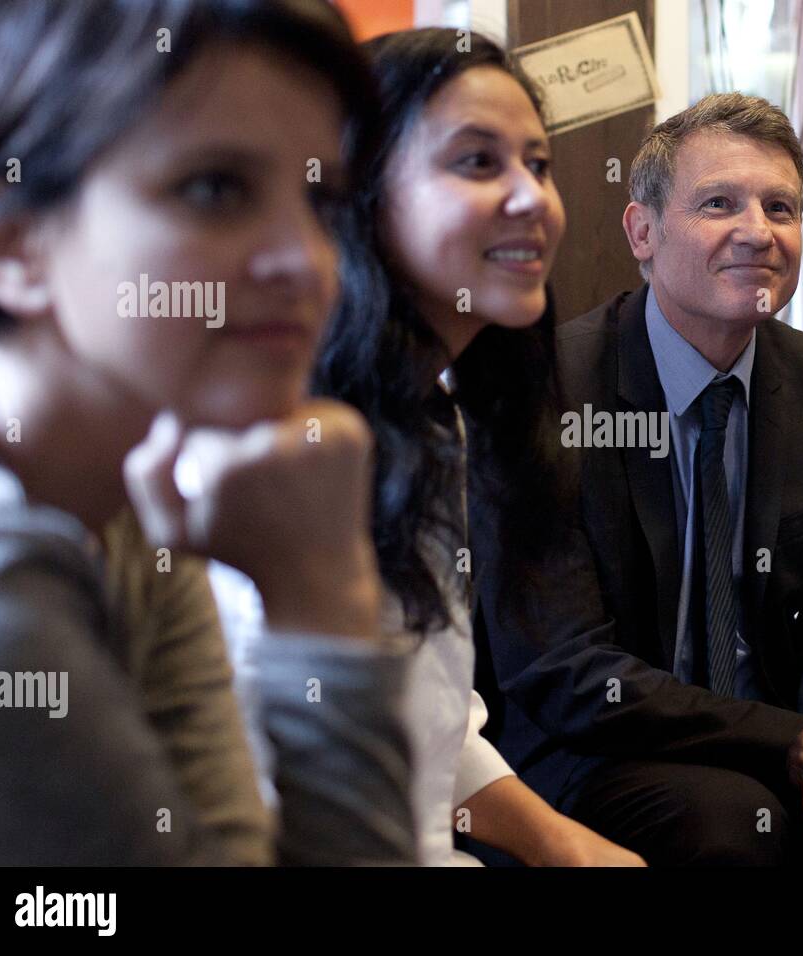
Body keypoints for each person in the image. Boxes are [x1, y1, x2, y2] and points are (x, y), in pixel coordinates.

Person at [471, 92, 803, 866]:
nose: (757, 232)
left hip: (785, 728)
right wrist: (802, 746)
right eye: (719, 203)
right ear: (643, 232)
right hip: (596, 747)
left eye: (781, 207)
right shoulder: (549, 390)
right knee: (729, 826)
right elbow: (568, 672)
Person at [0, 0, 416, 865]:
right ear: (14, 246)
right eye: (215, 189)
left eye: (318, 200)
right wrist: (324, 604)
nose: (307, 262)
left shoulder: (123, 507)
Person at [215, 27, 644, 866]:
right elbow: (259, 771)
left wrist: (571, 848)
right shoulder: (281, 435)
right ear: (362, 196)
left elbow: (432, 723)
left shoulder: (435, 419)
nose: (531, 198)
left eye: (540, 164)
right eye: (479, 163)